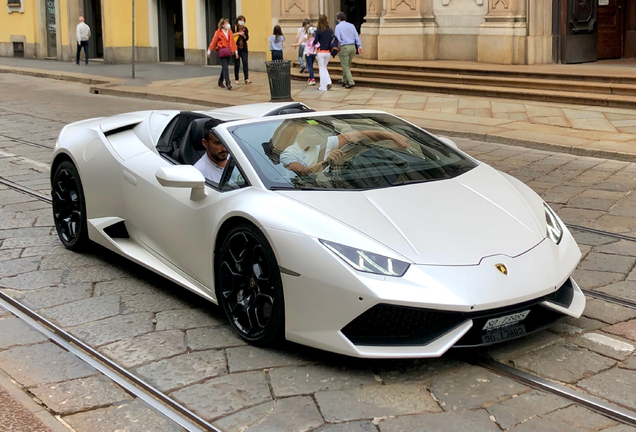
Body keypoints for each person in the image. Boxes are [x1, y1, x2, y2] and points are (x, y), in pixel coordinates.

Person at [280, 125, 409, 176]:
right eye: (313, 132)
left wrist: (389, 135)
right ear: (300, 130)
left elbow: (358, 136)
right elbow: (303, 173)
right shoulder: (289, 153)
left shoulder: (326, 141)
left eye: (320, 132)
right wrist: (327, 162)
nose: (318, 135)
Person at [194, 119, 228, 184]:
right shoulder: (199, 173)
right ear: (205, 143)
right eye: (217, 143)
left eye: (225, 142)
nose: (224, 149)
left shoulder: (238, 156)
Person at [208, 18, 238, 90]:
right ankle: (228, 83)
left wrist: (236, 52)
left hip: (228, 51)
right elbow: (213, 42)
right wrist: (209, 51)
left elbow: (232, 42)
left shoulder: (230, 32)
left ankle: (220, 81)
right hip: (221, 51)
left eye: (228, 23)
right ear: (222, 25)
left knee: (225, 67)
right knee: (225, 67)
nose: (228, 25)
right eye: (226, 23)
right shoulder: (218, 32)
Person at [334, 11, 362, 89]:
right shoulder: (351, 25)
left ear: (339, 19)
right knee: (347, 65)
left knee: (345, 66)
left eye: (336, 19)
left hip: (344, 47)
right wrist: (359, 46)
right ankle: (344, 80)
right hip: (353, 47)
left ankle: (351, 81)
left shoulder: (338, 27)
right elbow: (356, 36)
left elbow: (337, 39)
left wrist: (336, 49)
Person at [314, 15, 334, 91]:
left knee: (321, 69)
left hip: (321, 51)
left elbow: (315, 41)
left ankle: (323, 86)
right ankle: (328, 81)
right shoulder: (330, 30)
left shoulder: (318, 31)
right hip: (328, 52)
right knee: (324, 67)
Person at [233, 16, 251, 85]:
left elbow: (247, 38)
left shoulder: (245, 29)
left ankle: (246, 78)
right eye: (240, 20)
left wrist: (244, 35)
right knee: (237, 64)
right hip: (236, 48)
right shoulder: (234, 28)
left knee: (245, 62)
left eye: (243, 20)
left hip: (244, 48)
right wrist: (238, 33)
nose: (242, 22)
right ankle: (236, 79)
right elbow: (231, 36)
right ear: (237, 21)